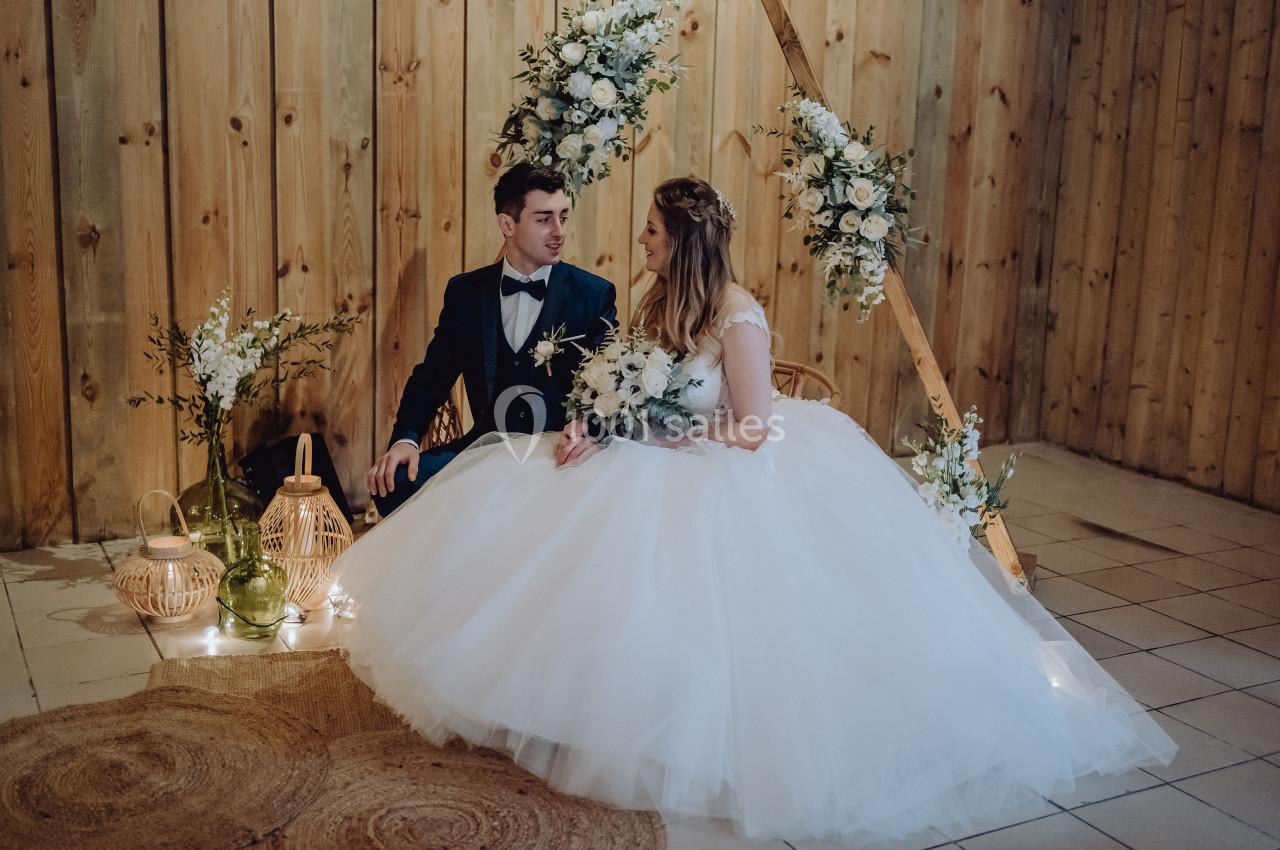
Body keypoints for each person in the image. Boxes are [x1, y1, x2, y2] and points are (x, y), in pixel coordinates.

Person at [336, 177, 1175, 844]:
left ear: (684, 240)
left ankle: (680, 736)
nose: (640, 243)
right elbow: (623, 377)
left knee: (701, 602)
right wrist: (613, 421)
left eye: (653, 233)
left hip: (725, 467)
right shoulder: (659, 300)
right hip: (649, 448)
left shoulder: (739, 314)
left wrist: (659, 432)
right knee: (555, 527)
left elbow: (751, 426)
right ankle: (549, 701)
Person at [366, 162, 618, 516]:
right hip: (485, 446)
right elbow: (432, 376)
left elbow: (611, 387)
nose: (559, 230)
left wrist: (588, 430)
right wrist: (405, 439)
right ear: (507, 224)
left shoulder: (592, 294)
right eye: (544, 218)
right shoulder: (466, 292)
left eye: (563, 216)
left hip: (556, 453)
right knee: (395, 481)